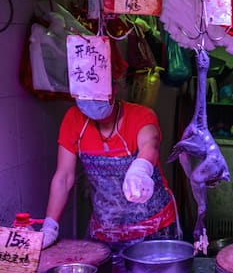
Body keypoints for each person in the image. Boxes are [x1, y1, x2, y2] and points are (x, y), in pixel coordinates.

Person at [42, 95, 180, 250]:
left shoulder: (141, 115)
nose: (92, 99)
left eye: (98, 93)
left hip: (155, 230)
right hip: (105, 233)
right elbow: (64, 177)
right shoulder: (73, 119)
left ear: (113, 89)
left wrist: (140, 169)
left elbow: (150, 144)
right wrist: (50, 226)